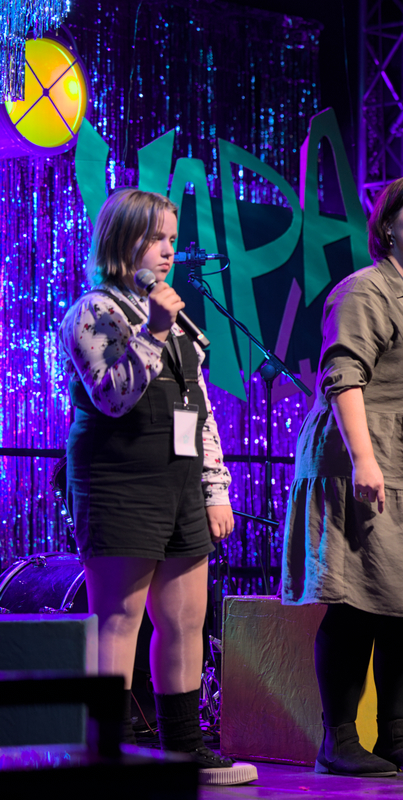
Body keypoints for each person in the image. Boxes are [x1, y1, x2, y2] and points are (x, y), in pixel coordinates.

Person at [281, 175, 403, 776]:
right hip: (371, 459)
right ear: (388, 224)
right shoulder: (364, 290)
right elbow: (343, 376)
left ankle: (396, 734)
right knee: (361, 599)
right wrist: (365, 460)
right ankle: (339, 740)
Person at [59, 188, 255, 785]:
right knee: (119, 619)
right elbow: (113, 395)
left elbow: (200, 410)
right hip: (119, 479)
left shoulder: (178, 318)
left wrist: (216, 486)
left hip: (179, 481)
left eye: (172, 238)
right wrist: (154, 331)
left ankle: (184, 751)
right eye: (156, 238)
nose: (169, 250)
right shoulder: (93, 310)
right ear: (123, 241)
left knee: (186, 620)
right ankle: (108, 753)